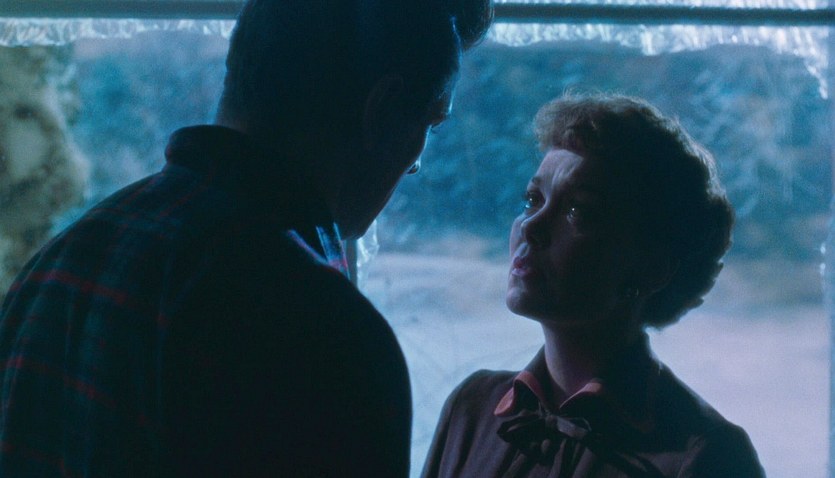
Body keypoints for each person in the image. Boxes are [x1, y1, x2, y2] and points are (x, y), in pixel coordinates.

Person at [0, 1, 493, 476]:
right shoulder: (324, 333)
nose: (415, 164)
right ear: (381, 112)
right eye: (430, 122)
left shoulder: (57, 266)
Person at [421, 94, 765, 477]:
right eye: (532, 199)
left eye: (578, 210)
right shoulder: (473, 409)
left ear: (652, 268)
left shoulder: (704, 457)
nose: (531, 226)